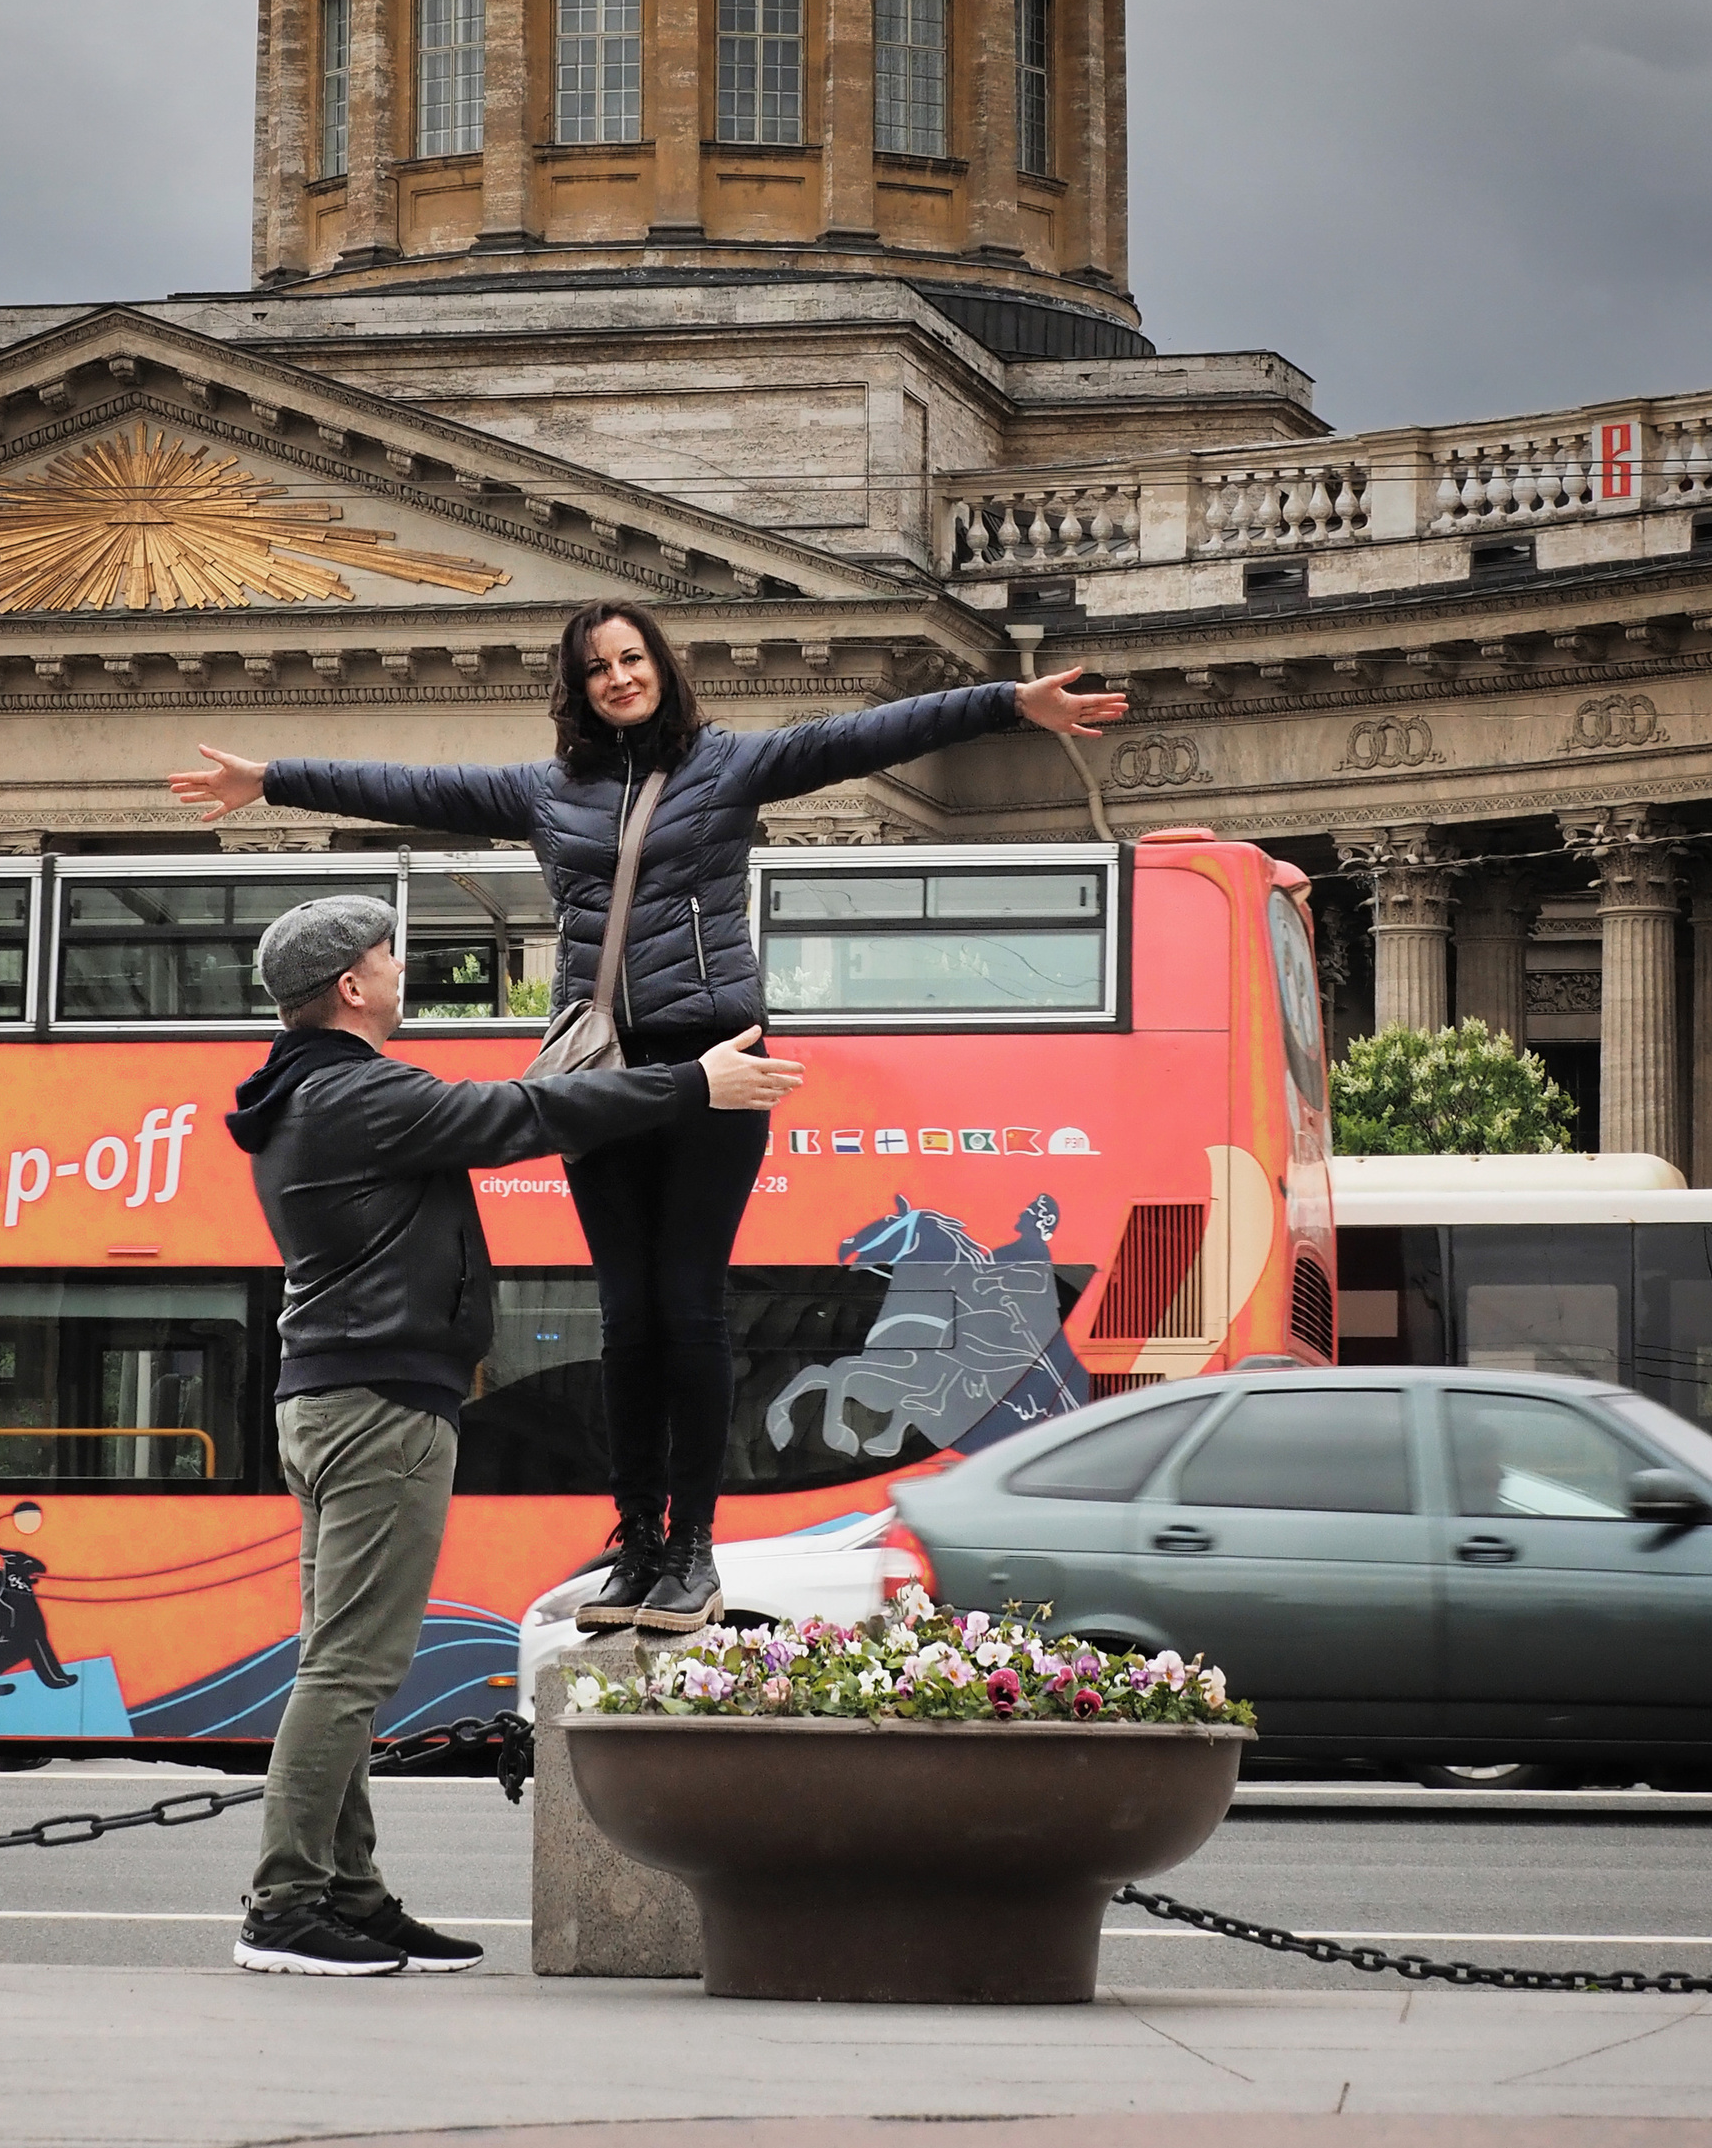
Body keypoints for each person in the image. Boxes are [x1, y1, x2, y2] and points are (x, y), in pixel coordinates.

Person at [173, 605, 1125, 1637]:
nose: (617, 677)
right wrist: (269, 777)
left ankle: (692, 1548)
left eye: (630, 659)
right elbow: (408, 785)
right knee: (626, 1315)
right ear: (576, 688)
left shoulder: (729, 767)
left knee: (690, 1302)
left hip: (712, 1064)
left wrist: (1007, 702)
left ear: (661, 668)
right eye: (595, 668)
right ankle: (634, 1538)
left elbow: (861, 736)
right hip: (600, 1071)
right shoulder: (544, 792)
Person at [225, 885, 801, 1980]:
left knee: (332, 1657)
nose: (404, 972)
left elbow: (509, 1102)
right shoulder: (356, 1094)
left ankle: (349, 1886)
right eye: (392, 958)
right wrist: (695, 1083)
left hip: (332, 1397)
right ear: (351, 985)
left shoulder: (311, 1091)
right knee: (352, 1666)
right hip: (380, 1405)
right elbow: (514, 1119)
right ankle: (286, 1901)